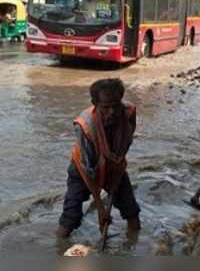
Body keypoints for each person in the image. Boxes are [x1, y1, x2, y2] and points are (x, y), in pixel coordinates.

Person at [57, 79, 141, 238]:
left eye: (116, 105)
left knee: (131, 211)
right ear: (95, 104)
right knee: (70, 218)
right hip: (83, 170)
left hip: (114, 166)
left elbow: (124, 146)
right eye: (106, 107)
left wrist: (116, 179)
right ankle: (58, 250)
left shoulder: (128, 113)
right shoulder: (84, 125)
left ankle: (134, 245)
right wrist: (101, 208)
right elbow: (89, 172)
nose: (112, 112)